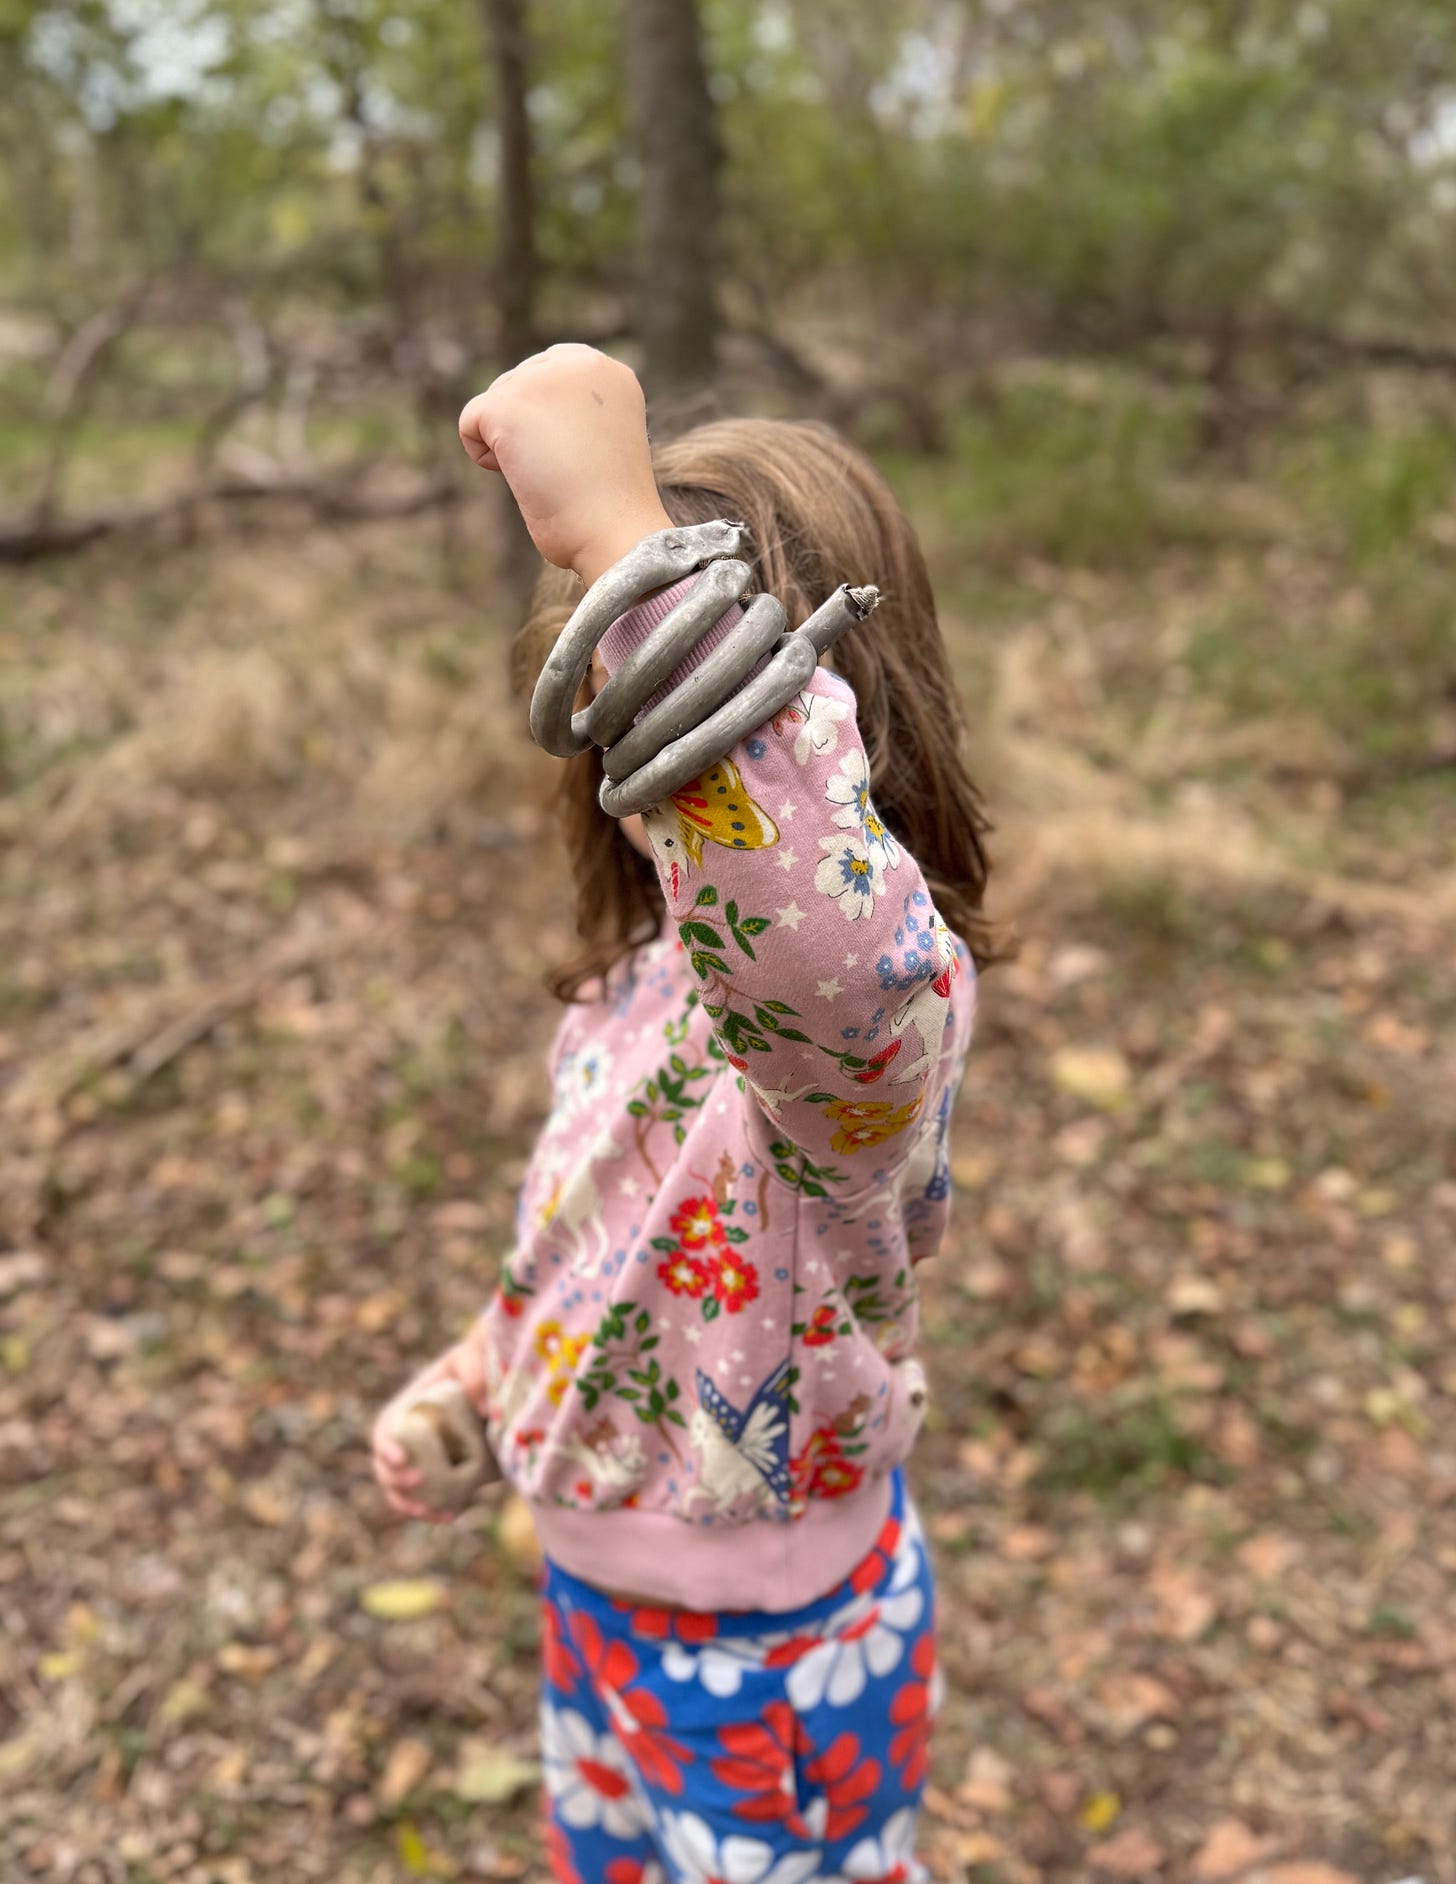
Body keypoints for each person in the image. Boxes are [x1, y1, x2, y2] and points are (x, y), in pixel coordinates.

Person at [373, 343, 1003, 1884]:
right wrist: (482, 1383)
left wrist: (628, 555)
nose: (644, 758)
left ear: (825, 718)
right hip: (598, 1608)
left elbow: (811, 936)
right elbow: (596, 1244)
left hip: (774, 1654)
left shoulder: (853, 1024)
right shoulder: (628, 995)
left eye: (674, 684)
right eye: (618, 693)